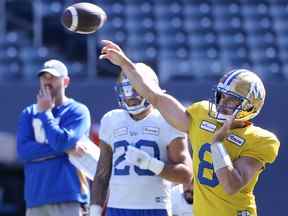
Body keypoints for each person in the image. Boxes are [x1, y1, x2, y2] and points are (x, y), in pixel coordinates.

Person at [98, 40, 280, 216]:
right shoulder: (201, 114)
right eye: (221, 96)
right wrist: (125, 63)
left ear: (250, 106)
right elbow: (155, 97)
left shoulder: (262, 140)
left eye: (231, 99)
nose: (223, 103)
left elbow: (231, 185)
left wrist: (217, 143)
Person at [90, 63, 193, 216]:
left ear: (150, 89)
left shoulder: (167, 120)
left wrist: (150, 164)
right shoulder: (111, 119)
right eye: (126, 89)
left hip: (155, 208)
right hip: (116, 208)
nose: (130, 96)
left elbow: (186, 175)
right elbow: (102, 174)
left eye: (136, 88)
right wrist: (95, 212)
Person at [17, 59, 91, 216]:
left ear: (66, 81)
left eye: (52, 77)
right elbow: (24, 151)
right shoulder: (28, 113)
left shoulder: (78, 111)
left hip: (70, 195)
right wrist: (66, 149)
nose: (47, 81)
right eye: (44, 77)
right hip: (36, 197)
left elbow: (61, 142)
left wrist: (45, 113)